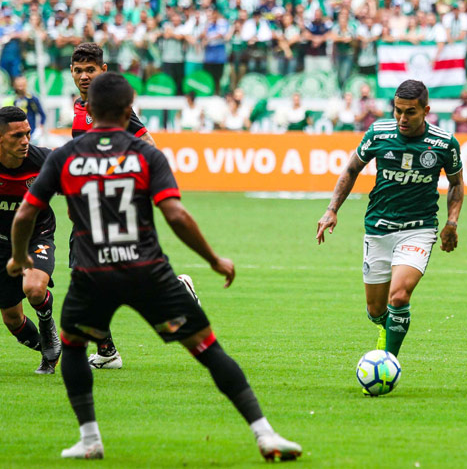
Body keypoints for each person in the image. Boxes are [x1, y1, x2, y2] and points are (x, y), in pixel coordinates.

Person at [7, 72, 302, 461]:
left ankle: (90, 438)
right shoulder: (147, 155)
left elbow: (27, 212)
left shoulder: (66, 157)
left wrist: (17, 256)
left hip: (93, 274)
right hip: (147, 270)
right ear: (130, 111)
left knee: (74, 347)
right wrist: (213, 259)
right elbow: (176, 214)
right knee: (207, 348)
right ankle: (264, 434)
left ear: (88, 110)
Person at [316, 80, 464, 374]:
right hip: (378, 228)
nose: (402, 119)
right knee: (375, 310)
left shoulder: (444, 143)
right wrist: (332, 209)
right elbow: (351, 170)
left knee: (399, 296)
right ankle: (386, 328)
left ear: (426, 110)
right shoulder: (379, 133)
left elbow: (456, 184)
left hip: (419, 229)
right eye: (398, 111)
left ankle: (387, 363)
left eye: (410, 112)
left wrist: (451, 222)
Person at [70, 42, 157, 369]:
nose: (83, 76)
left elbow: (150, 146)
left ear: (103, 71)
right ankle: (107, 351)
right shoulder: (80, 106)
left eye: (90, 70)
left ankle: (108, 350)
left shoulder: (112, 108)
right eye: (78, 70)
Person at [0, 106, 60, 374]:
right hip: (2, 243)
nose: (25, 141)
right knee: (13, 320)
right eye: (17, 136)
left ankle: (48, 329)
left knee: (35, 289)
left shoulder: (43, 161)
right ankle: (51, 349)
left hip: (38, 234)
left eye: (28, 133)